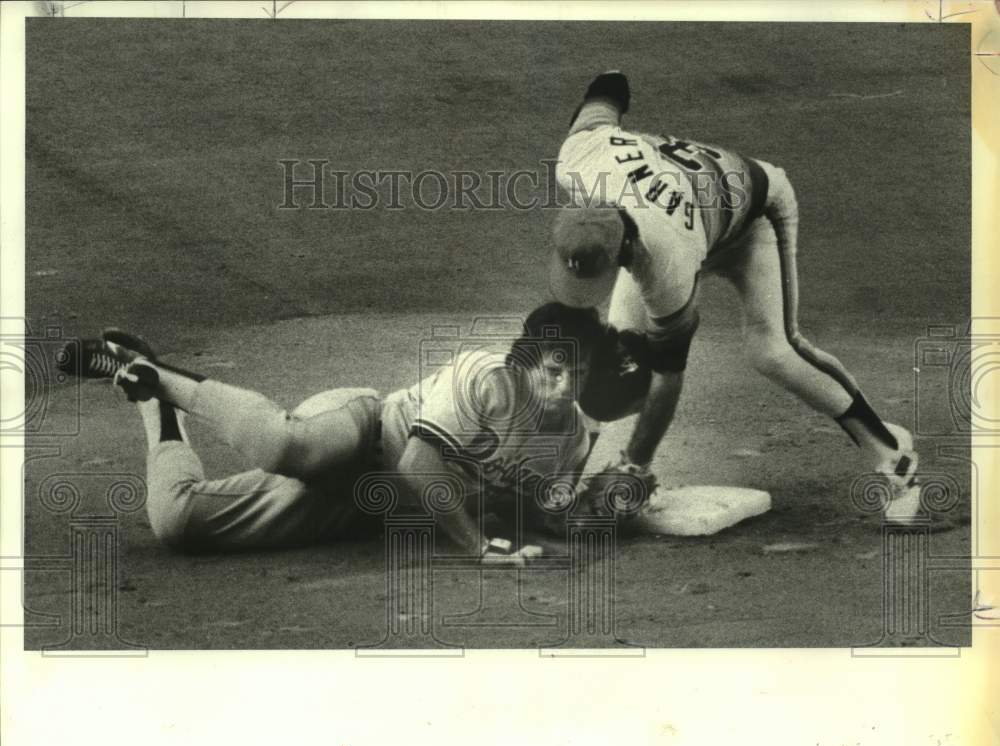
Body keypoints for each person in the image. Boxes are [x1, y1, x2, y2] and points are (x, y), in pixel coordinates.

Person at [548, 71, 920, 520]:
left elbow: (668, 378)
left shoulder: (664, 260)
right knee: (617, 349)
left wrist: (635, 468)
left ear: (624, 248)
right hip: (690, 213)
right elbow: (610, 85)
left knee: (776, 350)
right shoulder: (581, 155)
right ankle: (563, 479)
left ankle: (892, 457)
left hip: (755, 213)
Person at [57, 303, 606, 560]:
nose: (562, 387)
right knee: (284, 446)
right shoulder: (484, 377)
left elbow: (532, 511)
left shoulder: (572, 441)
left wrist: (590, 510)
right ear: (526, 361)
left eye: (575, 373)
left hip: (368, 510)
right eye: (552, 370)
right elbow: (417, 462)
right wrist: (477, 547)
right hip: (361, 433)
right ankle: (166, 379)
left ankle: (158, 406)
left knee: (177, 524)